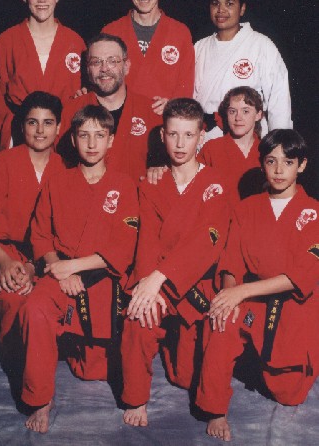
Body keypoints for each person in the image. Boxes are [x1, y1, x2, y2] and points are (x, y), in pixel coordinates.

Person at [19, 105, 139, 433]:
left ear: (111, 140)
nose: (91, 143)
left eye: (99, 136)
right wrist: (61, 269)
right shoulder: (58, 182)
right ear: (72, 139)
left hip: (102, 277)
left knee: (91, 371)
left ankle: (76, 348)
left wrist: (76, 267)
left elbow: (124, 248)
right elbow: (41, 233)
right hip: (60, 275)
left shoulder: (124, 185)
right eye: (83, 135)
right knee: (35, 307)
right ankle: (39, 399)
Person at [196, 129, 319, 441]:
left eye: (288, 162)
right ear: (262, 164)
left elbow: (302, 275)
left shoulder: (314, 212)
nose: (279, 170)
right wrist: (228, 293)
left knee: (289, 396)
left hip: (294, 302)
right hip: (251, 298)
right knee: (220, 323)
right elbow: (231, 259)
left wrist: (241, 291)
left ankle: (263, 362)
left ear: (301, 166)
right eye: (271, 161)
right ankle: (215, 408)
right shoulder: (246, 207)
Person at [121, 98, 231, 427]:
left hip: (197, 283)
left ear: (200, 136)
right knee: (139, 317)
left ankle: (175, 348)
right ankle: (136, 398)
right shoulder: (151, 183)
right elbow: (147, 240)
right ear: (162, 136)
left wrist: (160, 277)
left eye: (188, 135)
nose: (180, 144)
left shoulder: (215, 184)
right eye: (173, 135)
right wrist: (147, 285)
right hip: (159, 282)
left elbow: (208, 241)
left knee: (183, 378)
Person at [0, 91, 64, 346]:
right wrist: (2, 260)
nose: (40, 130)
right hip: (1, 252)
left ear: (59, 127)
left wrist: (35, 268)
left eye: (48, 122)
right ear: (22, 126)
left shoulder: (65, 169)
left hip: (46, 259)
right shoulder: (1, 163)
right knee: (13, 298)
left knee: (43, 305)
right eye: (32, 122)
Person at [0, 0, 86, 149]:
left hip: (63, 134)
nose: (42, 0)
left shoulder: (74, 41)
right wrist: (10, 129)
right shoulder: (7, 40)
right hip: (21, 132)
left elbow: (84, 92)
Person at [58, 33, 162, 183]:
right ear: (88, 69)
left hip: (136, 202)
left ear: (126, 66)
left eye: (112, 61)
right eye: (96, 62)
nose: (104, 68)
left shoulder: (151, 112)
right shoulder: (71, 110)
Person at [194, 0, 292, 142]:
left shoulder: (261, 45)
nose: (221, 10)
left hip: (248, 138)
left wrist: (280, 143)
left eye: (229, 3)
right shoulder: (199, 48)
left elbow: (278, 99)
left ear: (242, 9)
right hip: (207, 137)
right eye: (215, 3)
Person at [102, 0, 194, 115]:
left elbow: (186, 86)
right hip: (120, 121)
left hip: (164, 123)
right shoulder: (111, 31)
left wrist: (173, 105)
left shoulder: (180, 33)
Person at [198, 86, 264, 206]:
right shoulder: (212, 148)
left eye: (245, 111)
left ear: (258, 115)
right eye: (232, 111)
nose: (238, 118)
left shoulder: (266, 151)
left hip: (256, 221)